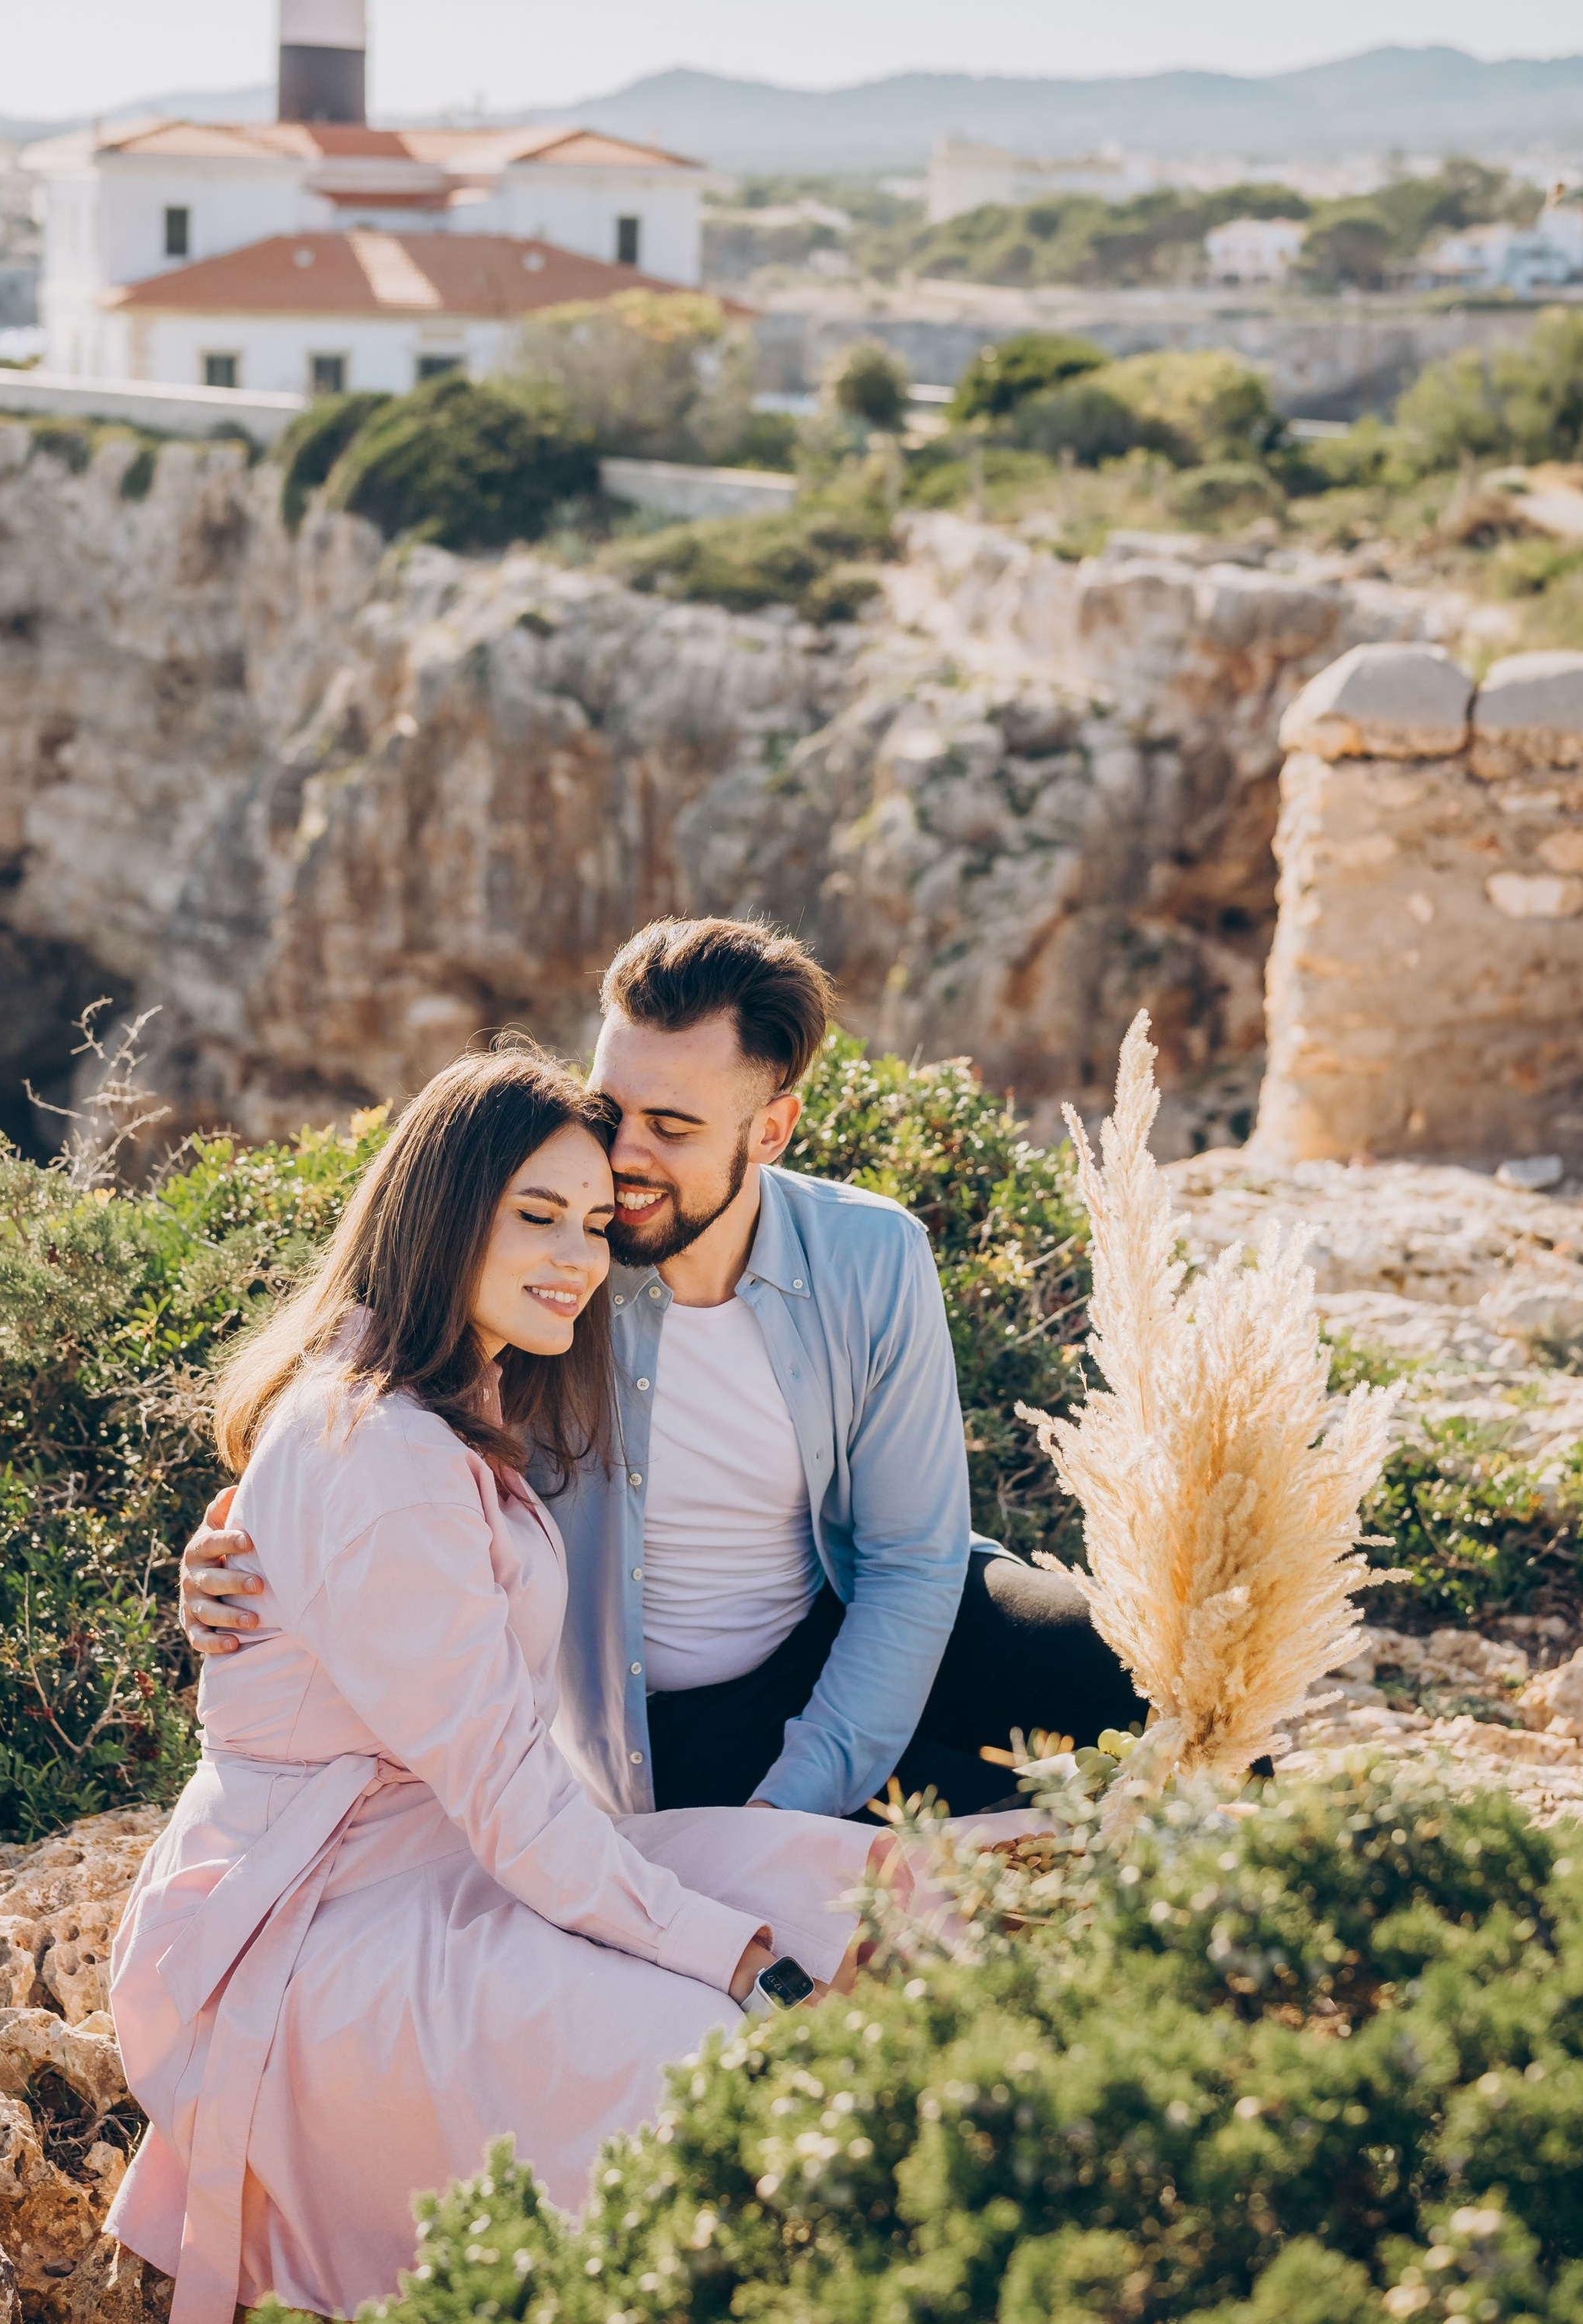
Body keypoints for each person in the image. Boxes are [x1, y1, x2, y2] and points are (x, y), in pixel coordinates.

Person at [108, 1048, 893, 2324]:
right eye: (537, 1215)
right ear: (444, 1212)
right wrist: (725, 1954)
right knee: (712, 2047)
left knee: (843, 1895)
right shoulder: (375, 1444)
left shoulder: (444, 1406)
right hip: (313, 1933)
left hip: (445, 1865)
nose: (578, 1258)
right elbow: (501, 1786)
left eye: (593, 1224)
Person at [184, 918, 1142, 1827]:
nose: (625, 1159)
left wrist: (803, 1790)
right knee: (983, 1845)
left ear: (769, 1131)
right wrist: (254, 1543)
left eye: (673, 1127)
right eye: (612, 1110)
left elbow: (906, 1559)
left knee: (1152, 1676)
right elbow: (374, 1405)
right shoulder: (554, 1274)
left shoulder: (869, 1252)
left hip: (853, 1609)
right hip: (672, 1717)